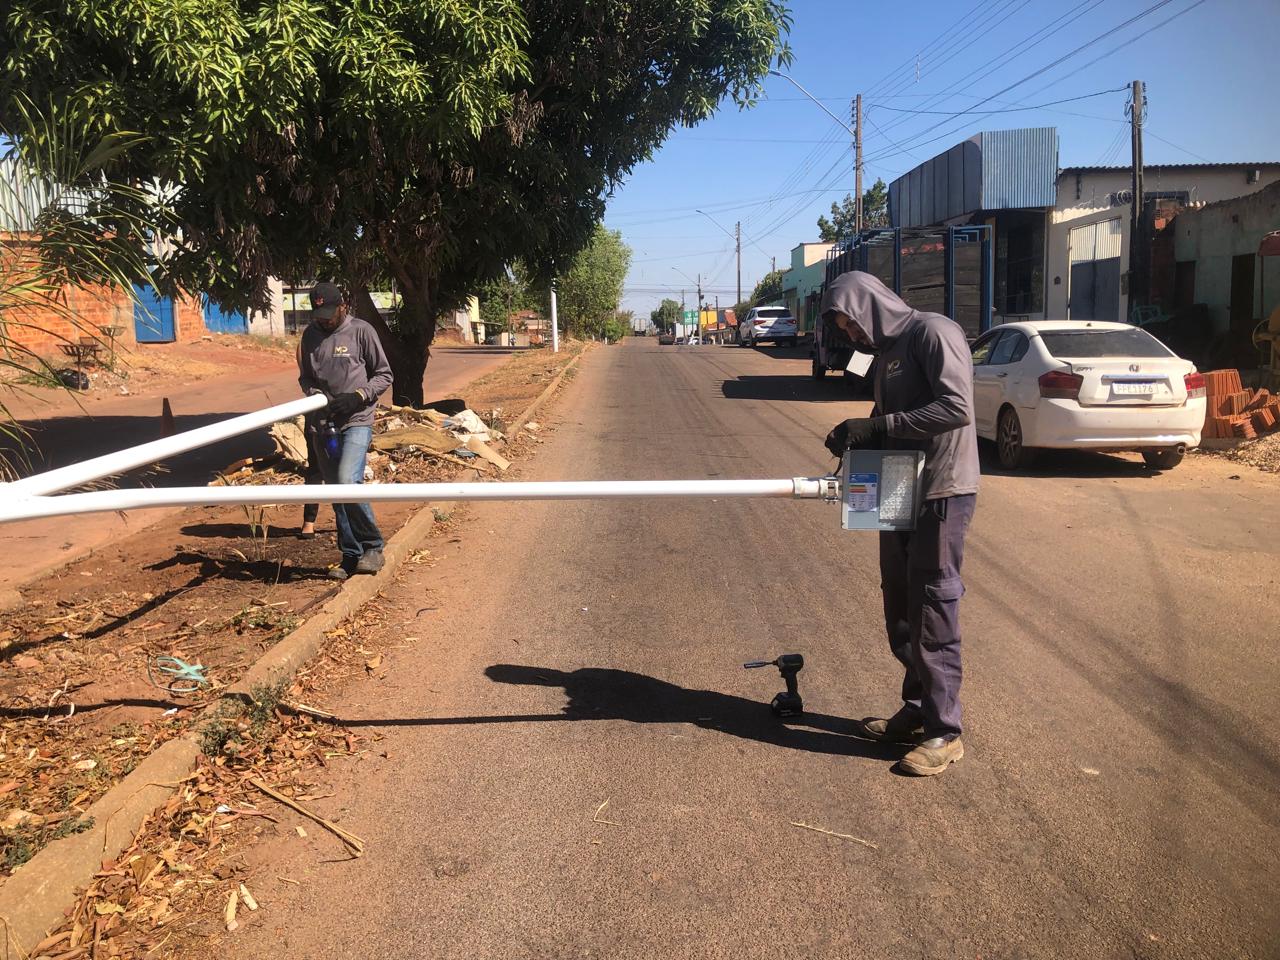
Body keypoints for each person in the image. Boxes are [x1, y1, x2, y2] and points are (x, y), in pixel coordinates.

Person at [819, 271, 978, 777]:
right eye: (845, 331)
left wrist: (880, 425)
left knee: (933, 606)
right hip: (898, 487)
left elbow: (956, 407)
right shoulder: (886, 354)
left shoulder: (933, 332)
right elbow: (892, 410)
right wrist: (859, 432)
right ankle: (917, 710)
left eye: (850, 325)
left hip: (940, 490)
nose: (851, 337)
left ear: (868, 307)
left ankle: (944, 732)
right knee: (901, 604)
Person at [298, 282, 394, 580]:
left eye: (329, 313)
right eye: (318, 314)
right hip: (324, 424)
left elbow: (384, 374)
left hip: (357, 419)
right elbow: (305, 378)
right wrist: (317, 397)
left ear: (343, 307)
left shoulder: (361, 331)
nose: (324, 320)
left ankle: (373, 547)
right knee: (337, 491)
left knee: (346, 480)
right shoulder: (310, 335)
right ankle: (350, 554)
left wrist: (359, 396)